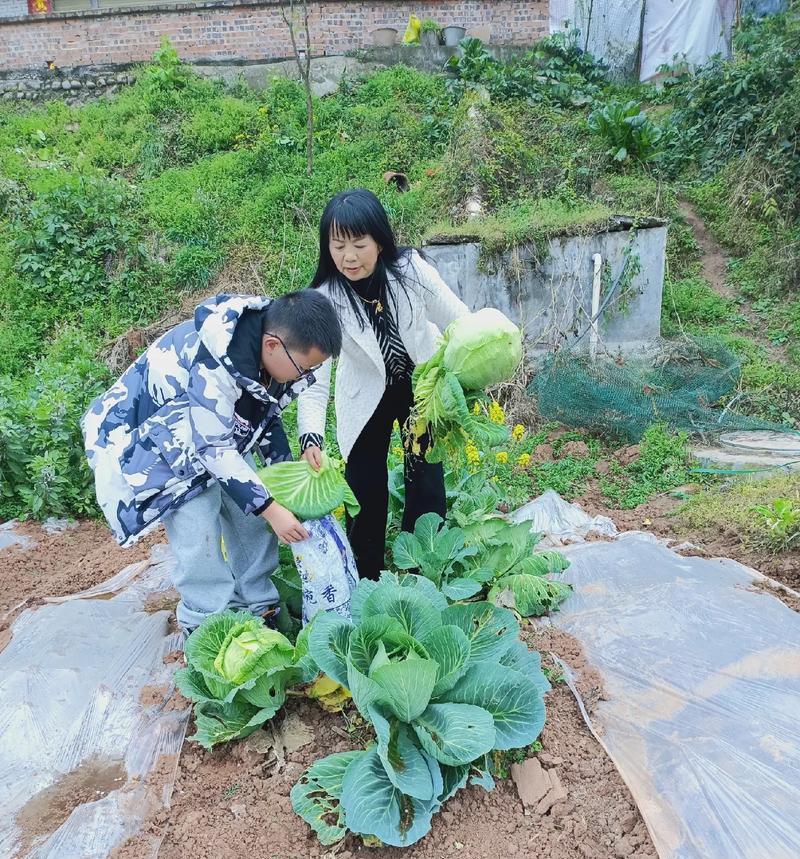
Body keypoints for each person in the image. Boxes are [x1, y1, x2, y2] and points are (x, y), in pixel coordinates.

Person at [82, 290, 342, 636]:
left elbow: (265, 414)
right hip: (154, 448)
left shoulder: (270, 352)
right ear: (273, 345)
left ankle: (259, 604)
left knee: (250, 521)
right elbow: (213, 450)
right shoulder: (216, 358)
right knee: (199, 529)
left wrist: (287, 478)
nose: (302, 376)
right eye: (303, 368)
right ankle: (207, 625)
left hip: (211, 435)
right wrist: (272, 508)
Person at [297, 188, 469, 581]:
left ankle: (422, 571)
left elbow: (456, 318)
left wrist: (480, 352)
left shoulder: (411, 270)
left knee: (425, 481)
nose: (349, 257)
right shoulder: (325, 298)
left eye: (359, 244)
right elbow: (314, 379)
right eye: (338, 246)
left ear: (380, 241)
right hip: (365, 398)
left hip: (419, 390)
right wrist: (310, 436)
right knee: (364, 492)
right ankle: (366, 579)